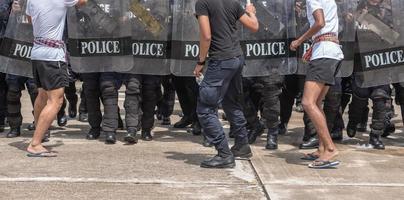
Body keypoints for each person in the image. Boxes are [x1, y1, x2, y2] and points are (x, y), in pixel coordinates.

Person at [194, 0, 258, 168]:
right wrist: (251, 12)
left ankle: (224, 153)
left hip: (221, 59)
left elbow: (206, 36)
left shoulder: (202, 3)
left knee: (205, 109)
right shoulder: (233, 2)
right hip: (236, 58)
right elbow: (254, 26)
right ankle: (242, 145)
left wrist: (200, 61)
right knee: (232, 103)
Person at [25, 0, 87, 157]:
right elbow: (83, 2)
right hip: (52, 55)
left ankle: (40, 134)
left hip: (37, 51)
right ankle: (35, 143)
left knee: (42, 96)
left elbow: (30, 19)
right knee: (56, 100)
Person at [290, 0, 343, 168]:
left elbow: (320, 22)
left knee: (307, 102)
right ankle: (321, 148)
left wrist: (299, 41)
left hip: (324, 53)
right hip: (331, 51)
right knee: (317, 103)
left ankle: (329, 148)